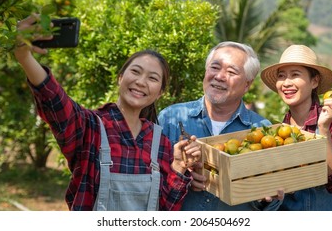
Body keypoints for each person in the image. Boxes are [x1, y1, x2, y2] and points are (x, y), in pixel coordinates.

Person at [14, 14, 201, 211]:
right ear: (121, 77)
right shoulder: (89, 127)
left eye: (152, 78)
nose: (141, 82)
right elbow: (55, 101)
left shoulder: (159, 142)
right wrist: (25, 57)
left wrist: (179, 166)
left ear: (160, 92)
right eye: (135, 72)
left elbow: (166, 210)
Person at [158, 41, 283, 211]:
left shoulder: (262, 130)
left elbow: (264, 201)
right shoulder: (170, 118)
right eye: (215, 67)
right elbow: (151, 185)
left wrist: (266, 197)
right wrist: (182, 178)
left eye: (231, 72)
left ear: (247, 84)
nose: (219, 76)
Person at [260, 44, 332, 210]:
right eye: (282, 76)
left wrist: (323, 129)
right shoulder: (279, 131)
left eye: (295, 75)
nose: (286, 83)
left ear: (314, 81)